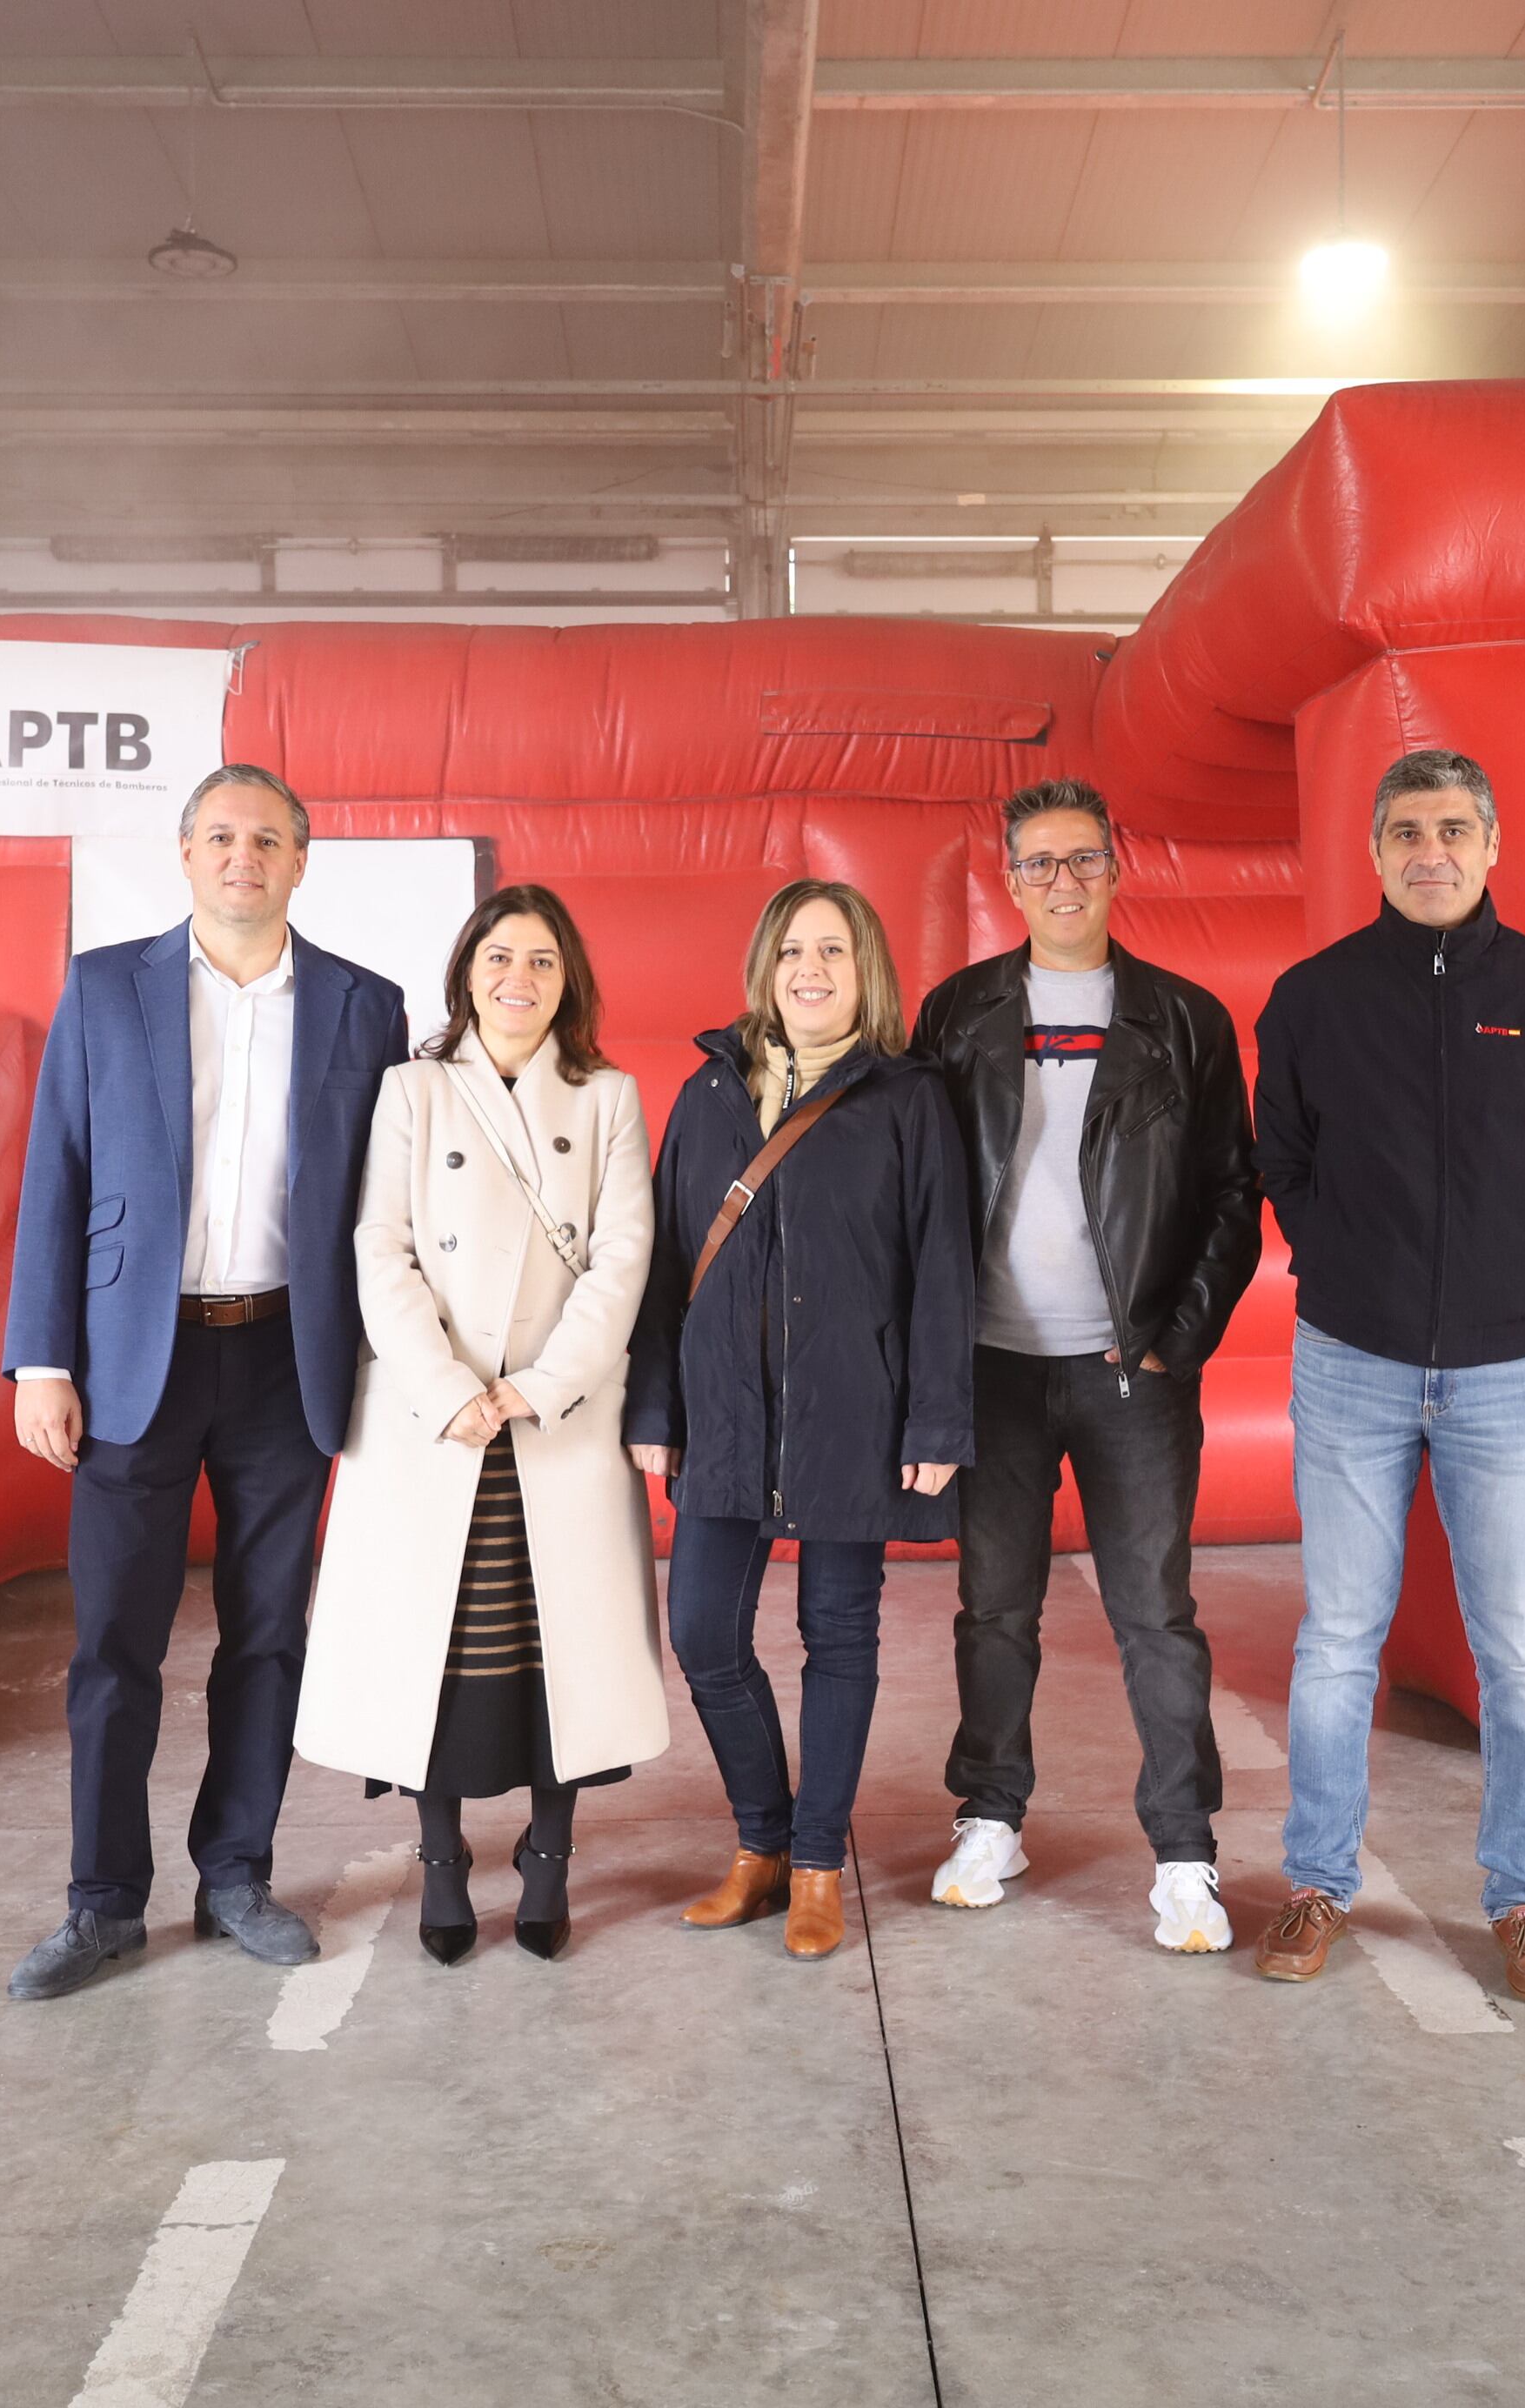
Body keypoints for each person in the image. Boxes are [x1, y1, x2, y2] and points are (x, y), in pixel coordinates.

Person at [1, 763, 411, 2002]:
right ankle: (101, 1903)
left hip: (288, 1360)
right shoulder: (103, 988)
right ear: (185, 854)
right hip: (136, 1360)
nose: (245, 857)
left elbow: (384, 1207)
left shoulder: (363, 1007)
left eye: (269, 840)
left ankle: (236, 1875)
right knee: (115, 1644)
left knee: (269, 1635)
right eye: (222, 836)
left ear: (301, 862)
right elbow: (55, 1179)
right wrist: (42, 1356)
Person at [1245, 747, 1525, 2006]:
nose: (1431, 849)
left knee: (1518, 1650)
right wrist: (1344, 1263)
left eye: (1455, 827)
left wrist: (1524, 1281)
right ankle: (1316, 1882)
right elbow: (1282, 1160)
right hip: (1349, 1365)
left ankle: (1524, 1902)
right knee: (1338, 1640)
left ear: (1492, 843)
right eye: (1407, 828)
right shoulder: (1312, 999)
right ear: (1374, 851)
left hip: (1509, 1375)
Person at [909, 779, 1263, 1953]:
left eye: (1083, 860)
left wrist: (1177, 1338)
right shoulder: (959, 1014)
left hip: (1132, 1375)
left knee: (1156, 1614)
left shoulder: (1185, 1018)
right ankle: (991, 1816)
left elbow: (1231, 1192)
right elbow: (916, 1192)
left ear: (1117, 868)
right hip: (993, 1369)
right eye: (1039, 864)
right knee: (992, 1610)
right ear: (1008, 882)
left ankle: (1185, 1852)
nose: (1063, 881)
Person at [295, 886, 666, 1963]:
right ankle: (444, 1859)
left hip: (556, 1416)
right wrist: (447, 1385)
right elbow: (379, 1244)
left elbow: (622, 1256)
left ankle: (548, 1857)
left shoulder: (607, 1097)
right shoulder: (413, 1091)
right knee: (439, 1651)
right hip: (435, 1419)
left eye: (543, 961)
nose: (519, 979)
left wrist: (541, 1383)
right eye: (499, 956)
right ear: (465, 972)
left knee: (560, 1654)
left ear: (569, 980)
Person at [625, 879, 973, 1961]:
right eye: (790, 953)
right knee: (703, 1636)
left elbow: (942, 1271)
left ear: (865, 969)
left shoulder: (909, 1097)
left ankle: (818, 1859)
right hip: (723, 1412)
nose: (809, 970)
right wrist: (653, 1402)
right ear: (763, 972)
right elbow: (664, 1263)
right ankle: (760, 1844)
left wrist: (934, 1423)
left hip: (853, 1414)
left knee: (840, 1635)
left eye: (831, 950)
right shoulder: (707, 1095)